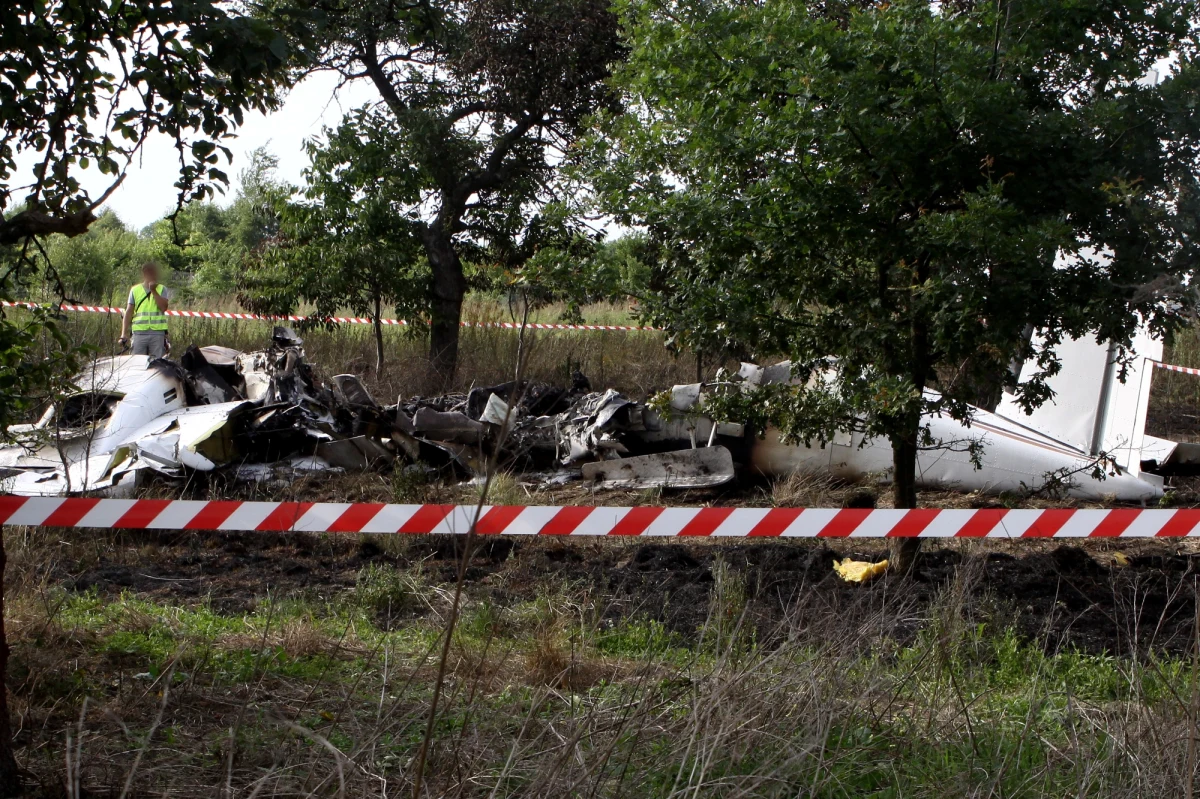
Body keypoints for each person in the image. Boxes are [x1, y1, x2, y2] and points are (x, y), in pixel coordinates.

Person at [118, 262, 171, 358]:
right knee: (137, 364)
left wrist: (153, 290)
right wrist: (123, 333)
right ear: (145, 273)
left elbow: (163, 307)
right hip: (139, 333)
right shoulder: (135, 290)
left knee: (158, 364)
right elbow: (129, 312)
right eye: (150, 272)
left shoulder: (162, 289)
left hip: (157, 333)